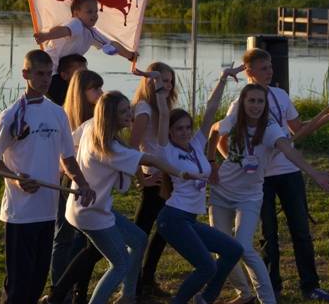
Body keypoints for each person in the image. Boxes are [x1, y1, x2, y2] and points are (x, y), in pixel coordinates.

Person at [46, 90, 203, 304]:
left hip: (91, 207)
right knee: (120, 264)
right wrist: (182, 173)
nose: (130, 114)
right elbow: (151, 161)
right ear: (109, 116)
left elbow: (69, 143)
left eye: (129, 109)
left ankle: (127, 296)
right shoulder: (110, 148)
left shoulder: (92, 127)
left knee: (138, 239)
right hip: (91, 213)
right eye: (123, 112)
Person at [225, 48, 329, 302]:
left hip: (289, 171)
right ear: (249, 72)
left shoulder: (280, 95)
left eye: (270, 66)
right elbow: (224, 137)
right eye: (264, 68)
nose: (270, 71)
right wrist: (237, 163)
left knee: (301, 230)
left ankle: (310, 286)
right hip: (261, 178)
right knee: (269, 234)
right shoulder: (241, 103)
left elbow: (297, 130)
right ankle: (272, 287)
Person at [0, 49, 95, 304]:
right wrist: (16, 178)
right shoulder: (12, 115)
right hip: (20, 213)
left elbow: (68, 158)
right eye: (40, 74)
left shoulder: (58, 113)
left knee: (36, 282)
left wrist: (83, 183)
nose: (45, 80)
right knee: (18, 286)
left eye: (48, 74)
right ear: (26, 74)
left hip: (47, 211)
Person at [156, 65, 245, 304]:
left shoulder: (196, 144)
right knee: (206, 267)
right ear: (170, 132)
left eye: (187, 127)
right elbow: (163, 115)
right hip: (173, 218)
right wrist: (159, 90)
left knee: (233, 250)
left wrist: (223, 78)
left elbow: (211, 109)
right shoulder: (166, 151)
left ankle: (205, 299)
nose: (185, 132)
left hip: (189, 219)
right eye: (179, 129)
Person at [49, 69, 104, 302]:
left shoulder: (99, 115)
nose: (101, 93)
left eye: (100, 87)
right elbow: (62, 156)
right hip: (70, 181)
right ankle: (59, 290)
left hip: (92, 182)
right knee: (64, 237)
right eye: (95, 89)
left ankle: (79, 291)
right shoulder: (65, 117)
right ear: (81, 92)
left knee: (87, 241)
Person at [129, 62, 178, 298]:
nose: (167, 85)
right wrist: (142, 178)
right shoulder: (144, 109)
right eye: (162, 80)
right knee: (141, 233)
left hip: (166, 176)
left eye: (170, 81)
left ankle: (147, 279)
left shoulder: (162, 106)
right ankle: (133, 285)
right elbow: (131, 148)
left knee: (164, 230)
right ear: (149, 82)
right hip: (154, 178)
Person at [34, 0, 136, 72]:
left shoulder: (92, 33)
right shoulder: (76, 23)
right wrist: (46, 36)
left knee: (84, 75)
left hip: (62, 71)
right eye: (89, 12)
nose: (94, 15)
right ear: (76, 13)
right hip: (48, 70)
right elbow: (63, 30)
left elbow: (113, 45)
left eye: (96, 11)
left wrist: (130, 56)